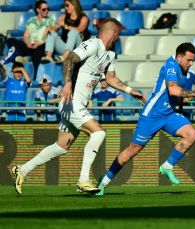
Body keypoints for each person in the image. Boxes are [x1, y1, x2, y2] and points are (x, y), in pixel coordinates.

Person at [11, 17, 145, 195]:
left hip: (78, 105)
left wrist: (130, 90)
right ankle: (83, 180)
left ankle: (23, 169)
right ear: (112, 33)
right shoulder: (93, 44)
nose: (118, 39)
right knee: (99, 133)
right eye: (117, 35)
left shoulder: (110, 55)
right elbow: (69, 60)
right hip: (70, 102)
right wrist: (67, 84)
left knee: (61, 146)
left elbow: (111, 78)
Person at [96, 43, 195, 196]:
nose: (191, 63)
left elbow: (174, 94)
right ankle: (103, 182)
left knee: (191, 134)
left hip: (168, 114)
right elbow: (173, 90)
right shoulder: (171, 66)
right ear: (179, 57)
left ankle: (167, 166)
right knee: (132, 151)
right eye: (188, 60)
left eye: (192, 60)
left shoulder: (182, 69)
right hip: (152, 115)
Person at [2, 0, 55, 79]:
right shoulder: (31, 20)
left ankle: (35, 76)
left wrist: (38, 43)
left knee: (38, 52)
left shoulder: (50, 21)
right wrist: (28, 44)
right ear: (38, 10)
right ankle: (18, 56)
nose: (47, 11)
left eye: (48, 9)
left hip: (41, 45)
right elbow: (26, 35)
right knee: (11, 40)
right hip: (30, 45)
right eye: (44, 9)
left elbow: (51, 35)